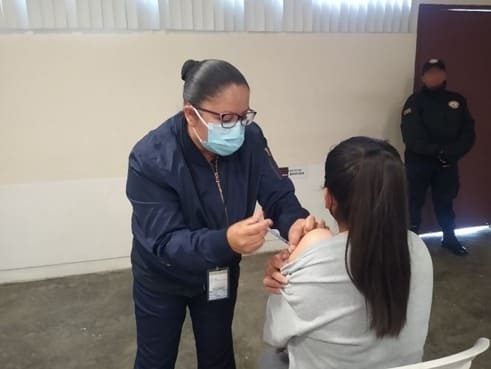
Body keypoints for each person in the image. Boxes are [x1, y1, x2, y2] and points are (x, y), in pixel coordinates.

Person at [126, 58, 316, 369]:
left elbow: (277, 193)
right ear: (191, 114)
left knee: (217, 355)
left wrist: (294, 222)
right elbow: (167, 242)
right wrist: (226, 241)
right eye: (228, 118)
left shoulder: (250, 139)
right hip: (161, 277)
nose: (239, 127)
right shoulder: (151, 158)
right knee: (155, 360)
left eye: (245, 116)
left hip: (218, 273)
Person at [260, 137, 433, 369]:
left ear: (328, 198)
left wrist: (306, 251)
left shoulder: (315, 261)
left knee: (270, 360)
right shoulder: (418, 248)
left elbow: (275, 334)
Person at [401, 58, 475, 255]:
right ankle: (411, 243)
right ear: (423, 77)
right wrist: (437, 152)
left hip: (447, 164)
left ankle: (449, 238)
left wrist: (451, 153)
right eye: (430, 72)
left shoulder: (457, 101)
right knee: (413, 203)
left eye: (438, 72)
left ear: (444, 75)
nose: (434, 76)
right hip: (419, 164)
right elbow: (411, 134)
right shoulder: (414, 101)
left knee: (445, 202)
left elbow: (468, 132)